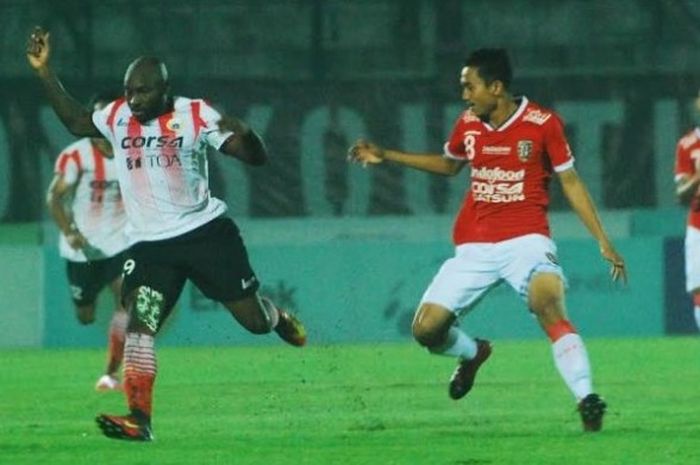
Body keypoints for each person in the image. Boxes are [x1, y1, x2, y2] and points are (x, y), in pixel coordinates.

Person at [27, 26, 307, 442]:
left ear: (164, 89)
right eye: (129, 90)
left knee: (253, 322)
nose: (133, 99)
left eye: (142, 91)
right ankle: (140, 419)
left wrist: (247, 134)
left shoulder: (194, 114)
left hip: (205, 234)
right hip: (151, 246)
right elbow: (74, 121)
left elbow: (254, 158)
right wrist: (44, 71)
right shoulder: (118, 115)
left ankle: (276, 316)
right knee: (140, 326)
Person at [348, 48, 626, 432]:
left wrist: (603, 240)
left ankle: (586, 398)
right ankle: (473, 352)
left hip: (526, 240)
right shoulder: (468, 124)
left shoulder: (543, 123)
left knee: (549, 306)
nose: (464, 95)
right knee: (425, 331)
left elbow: (571, 182)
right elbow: (449, 164)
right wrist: (387, 155)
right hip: (474, 245)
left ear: (496, 87)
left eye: (469, 86)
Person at [47, 92, 129, 392]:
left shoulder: (132, 152)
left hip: (121, 243)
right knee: (86, 315)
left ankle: (110, 373)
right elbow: (54, 197)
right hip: (82, 249)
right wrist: (69, 231)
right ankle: (85, 301)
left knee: (128, 301)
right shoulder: (77, 156)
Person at [674, 90, 700, 331]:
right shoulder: (687, 145)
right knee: (698, 288)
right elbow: (680, 194)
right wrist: (697, 178)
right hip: (697, 225)